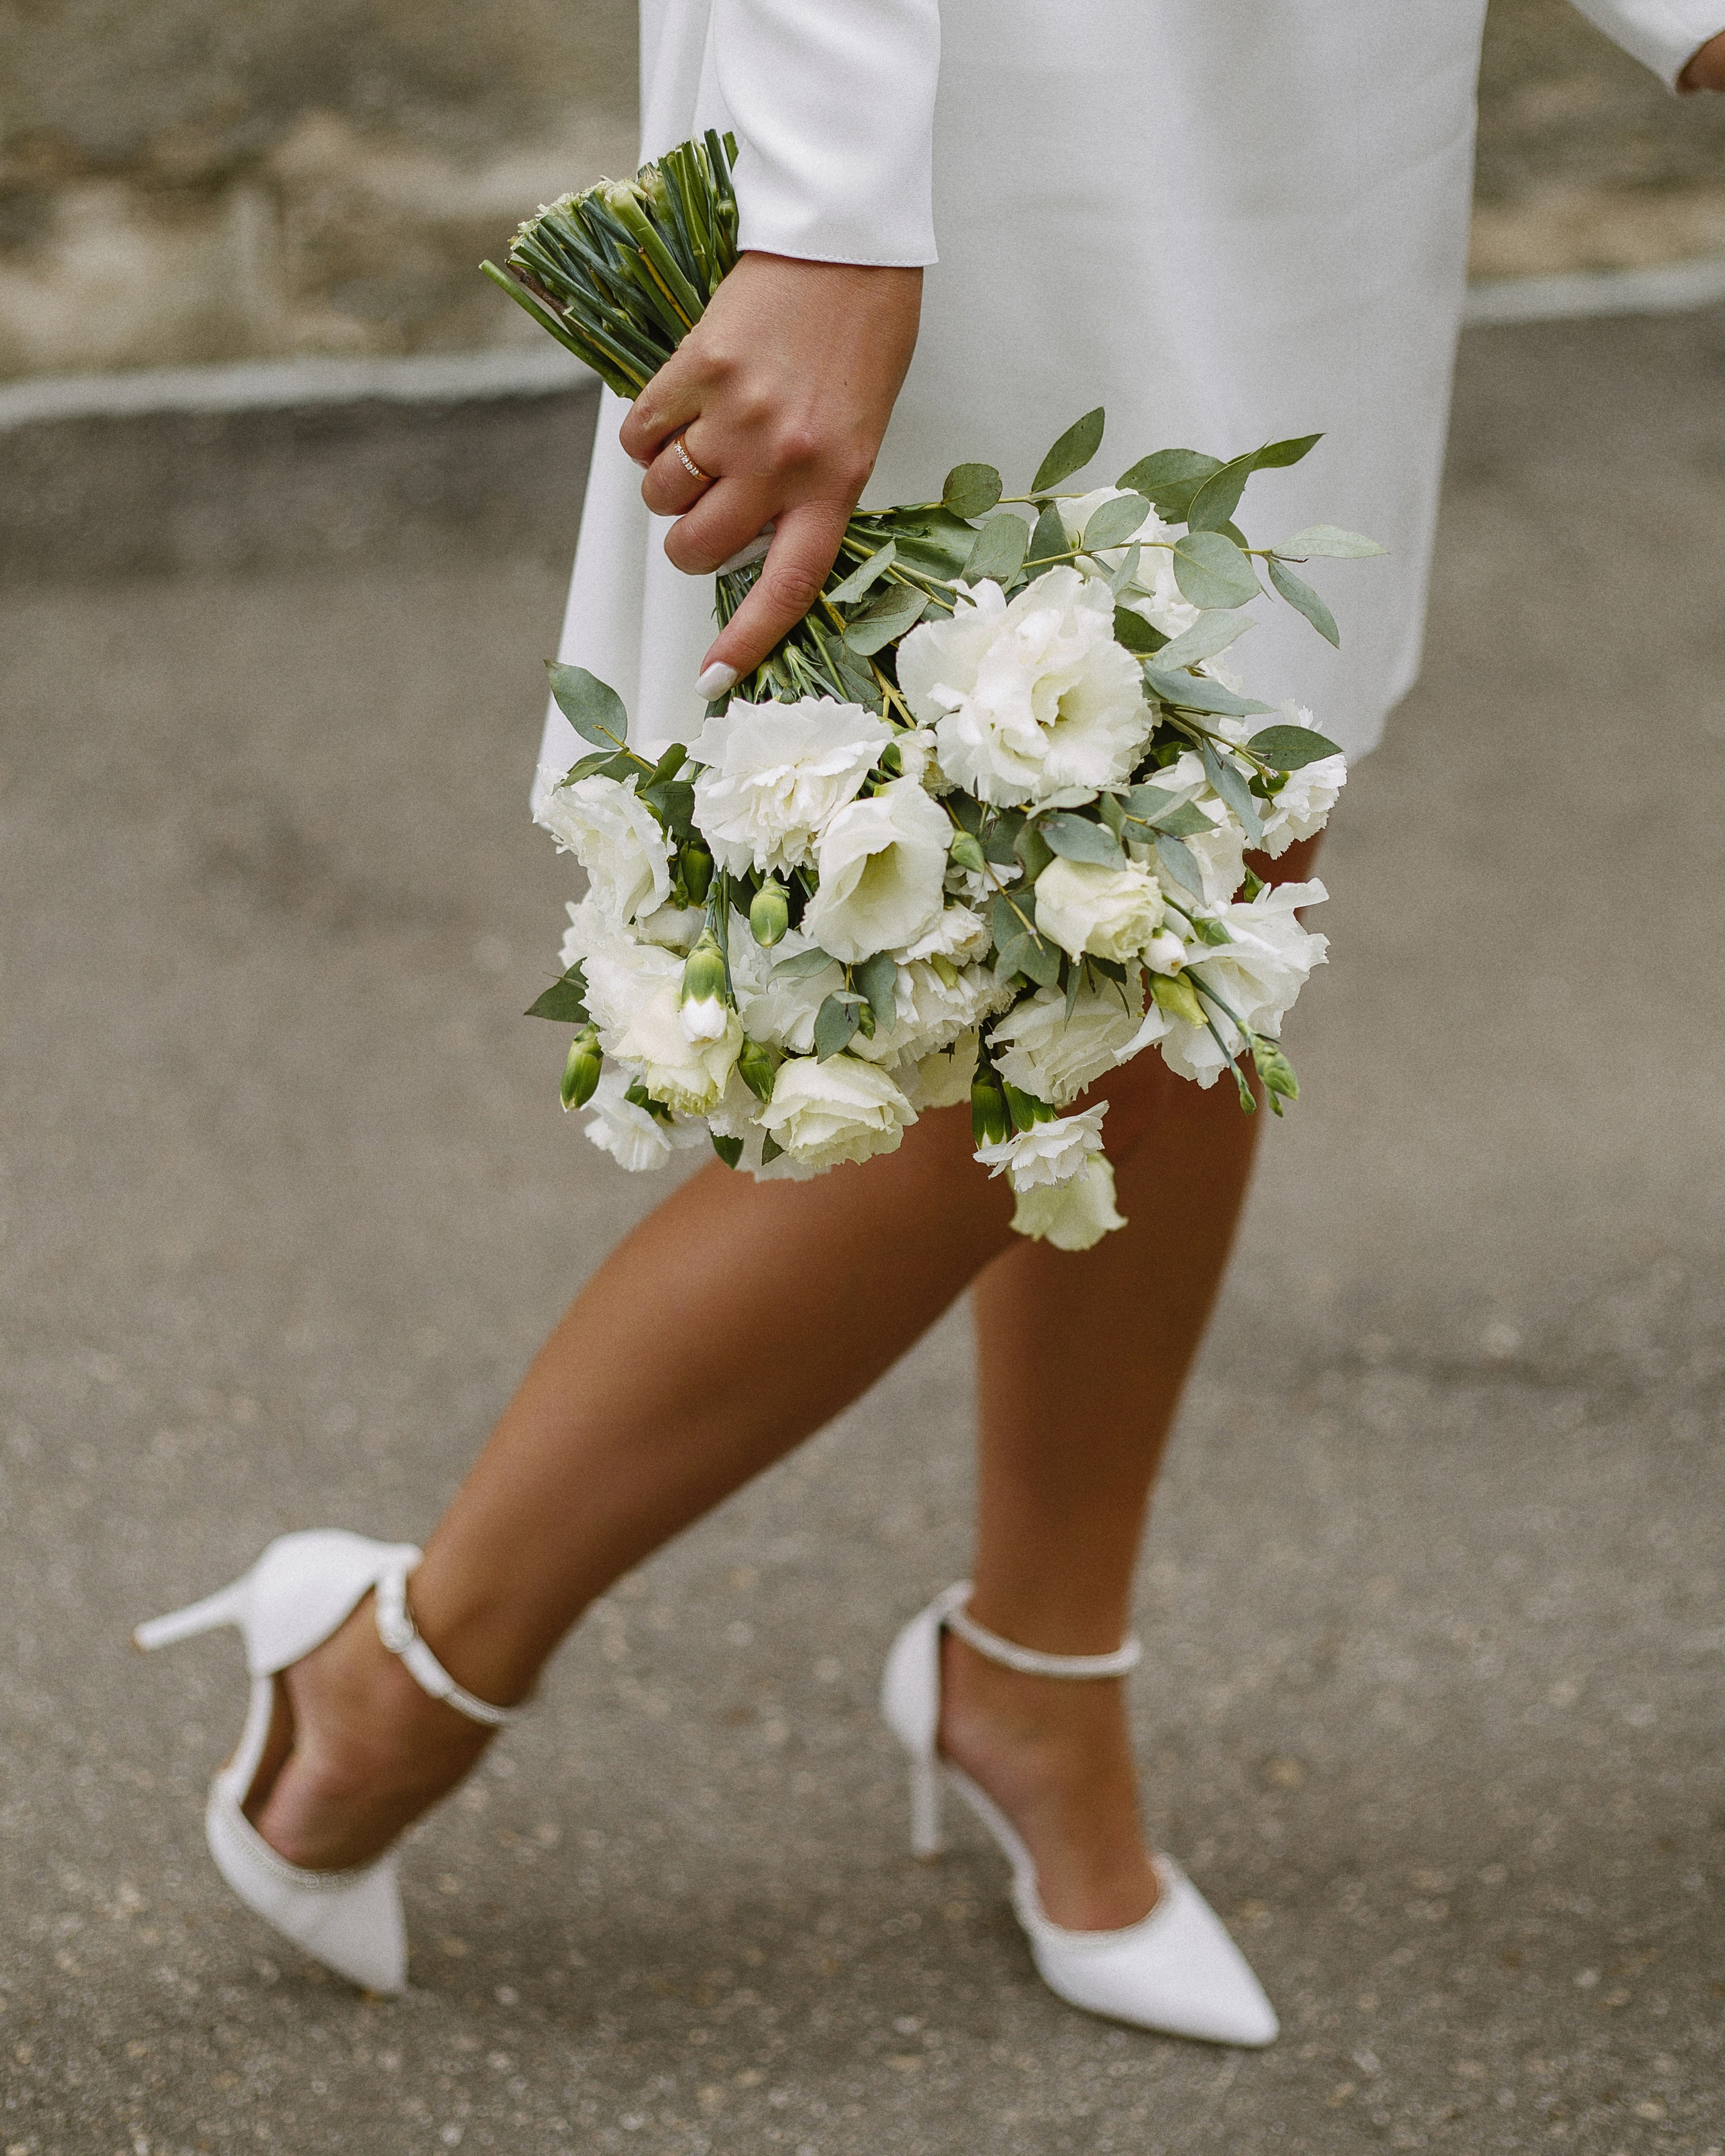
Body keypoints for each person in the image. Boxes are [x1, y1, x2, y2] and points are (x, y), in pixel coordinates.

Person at [136, 0, 1725, 2042]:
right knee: (1024, 924)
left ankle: (1037, 1678)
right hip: (988, 96)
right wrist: (826, 209)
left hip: (1309, 87)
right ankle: (406, 1658)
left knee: (1211, 866)